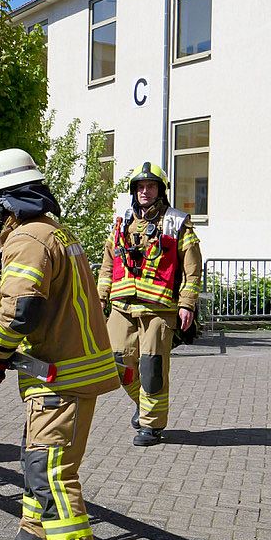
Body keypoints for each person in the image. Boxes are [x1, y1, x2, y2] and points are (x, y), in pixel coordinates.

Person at [0, 148, 121, 540]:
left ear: (5, 197)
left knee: (51, 474)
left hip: (61, 380)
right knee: (35, 460)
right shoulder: (53, 231)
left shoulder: (28, 239)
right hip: (66, 373)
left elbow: (21, 309)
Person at [97, 162, 203, 447]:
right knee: (116, 363)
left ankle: (151, 425)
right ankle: (143, 405)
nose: (145, 191)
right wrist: (100, 298)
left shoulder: (177, 223)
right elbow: (108, 265)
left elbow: (192, 270)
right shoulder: (122, 222)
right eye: (140, 187)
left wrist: (187, 304)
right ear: (134, 191)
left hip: (159, 309)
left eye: (151, 186)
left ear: (160, 190)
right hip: (122, 306)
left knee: (152, 369)